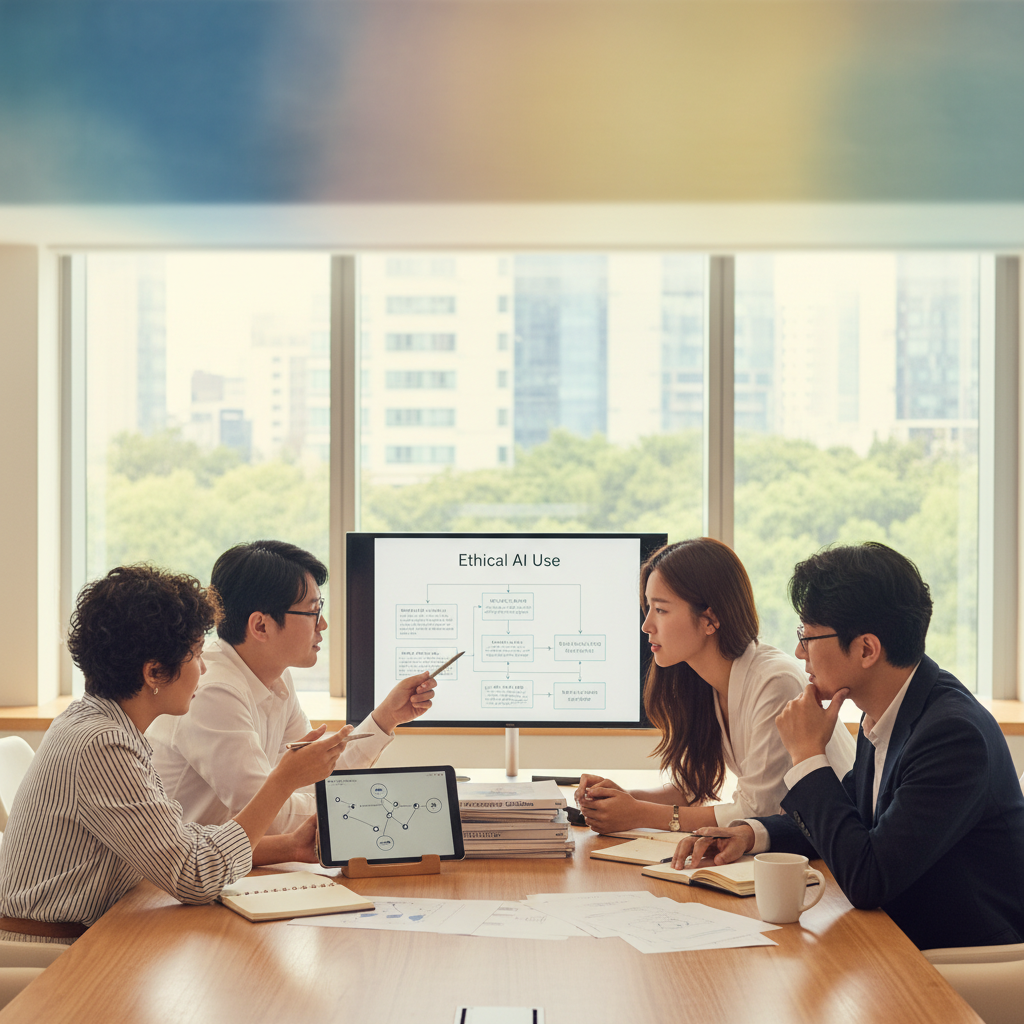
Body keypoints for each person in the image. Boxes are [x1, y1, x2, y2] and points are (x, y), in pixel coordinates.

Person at [673, 542, 1024, 951]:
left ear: (866, 649)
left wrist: (808, 755)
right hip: (899, 937)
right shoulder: (887, 709)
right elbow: (855, 818)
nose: (800, 651)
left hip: (965, 960)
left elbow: (869, 878)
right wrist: (752, 834)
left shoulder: (952, 736)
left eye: (808, 636)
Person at [0, 565, 346, 943]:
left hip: (101, 929)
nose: (203, 668)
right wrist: (283, 780)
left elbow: (175, 842)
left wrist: (289, 845)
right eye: (196, 655)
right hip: (57, 953)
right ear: (154, 673)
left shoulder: (99, 722)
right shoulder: (103, 744)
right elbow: (193, 876)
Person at [147, 540, 437, 834]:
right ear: (261, 626)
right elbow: (269, 816)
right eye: (312, 611)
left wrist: (386, 717)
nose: (322, 624)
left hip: (240, 864)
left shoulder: (276, 677)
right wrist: (361, 808)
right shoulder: (214, 690)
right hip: (187, 874)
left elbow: (319, 778)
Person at [574, 537, 855, 834]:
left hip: (834, 851)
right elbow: (691, 789)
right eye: (648, 608)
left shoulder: (774, 682)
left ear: (710, 619)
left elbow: (756, 811)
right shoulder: (703, 680)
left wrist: (639, 814)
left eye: (661, 610)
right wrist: (622, 799)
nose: (646, 625)